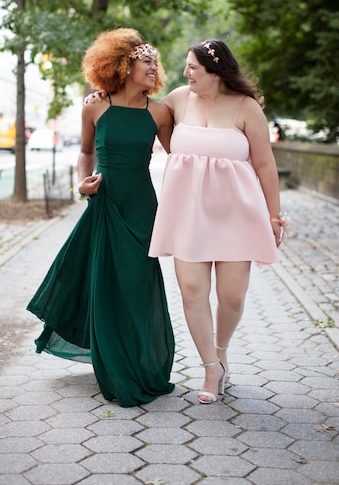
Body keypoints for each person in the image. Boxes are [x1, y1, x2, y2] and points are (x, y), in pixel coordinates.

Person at [86, 38, 285, 405]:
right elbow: (133, 108)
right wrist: (101, 94)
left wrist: (274, 215)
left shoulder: (246, 107)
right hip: (188, 215)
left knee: (232, 296)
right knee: (193, 292)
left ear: (216, 71)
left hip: (237, 216)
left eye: (192, 67)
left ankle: (221, 350)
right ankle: (211, 368)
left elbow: (266, 164)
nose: (184, 72)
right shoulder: (178, 100)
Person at [27, 28, 175, 408]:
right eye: (147, 61)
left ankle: (141, 361)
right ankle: (113, 365)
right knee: (105, 285)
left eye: (155, 63)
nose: (154, 68)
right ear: (123, 65)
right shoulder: (94, 106)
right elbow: (85, 153)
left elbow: (182, 158)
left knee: (138, 285)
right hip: (105, 204)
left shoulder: (159, 113)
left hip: (142, 208)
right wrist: (82, 183)